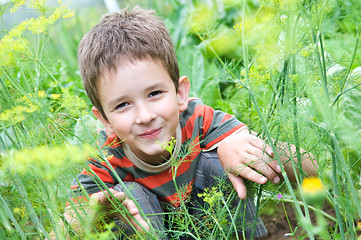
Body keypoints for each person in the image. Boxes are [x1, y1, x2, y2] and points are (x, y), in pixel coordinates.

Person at [57, 6, 317, 239]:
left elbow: (309, 165)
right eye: (123, 105)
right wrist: (93, 215)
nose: (145, 116)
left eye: (154, 94)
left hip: (216, 230)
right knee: (126, 197)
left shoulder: (197, 119)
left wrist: (238, 147)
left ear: (180, 94)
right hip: (151, 230)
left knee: (219, 160)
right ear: (105, 120)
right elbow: (61, 231)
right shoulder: (104, 161)